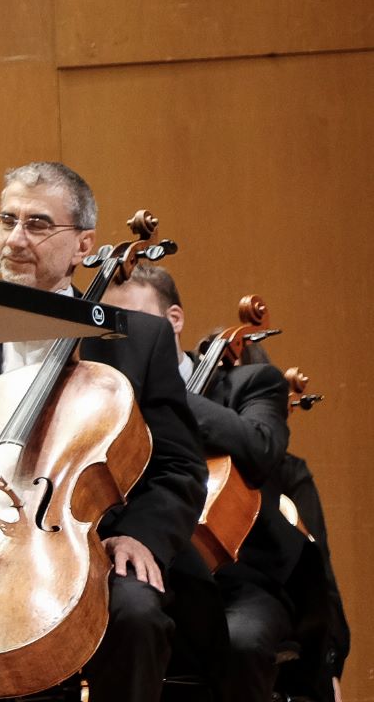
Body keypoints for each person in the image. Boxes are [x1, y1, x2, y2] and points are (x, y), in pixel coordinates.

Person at [0, 161, 206, 701]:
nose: (14, 239)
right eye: (6, 221)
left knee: (136, 617)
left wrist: (141, 536)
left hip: (90, 545)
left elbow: (179, 466)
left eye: (37, 224)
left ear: (83, 247)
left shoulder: (137, 340)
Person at [104, 265, 309, 702]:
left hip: (237, 580)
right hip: (153, 562)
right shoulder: (103, 388)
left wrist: (165, 395)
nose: (125, 335)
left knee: (240, 643)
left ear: (173, 320)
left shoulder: (249, 383)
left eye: (135, 320)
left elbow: (260, 447)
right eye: (113, 323)